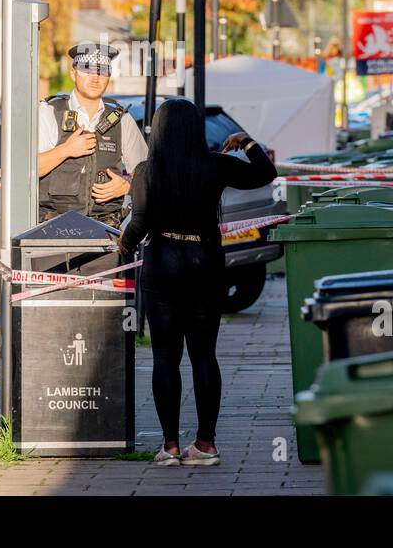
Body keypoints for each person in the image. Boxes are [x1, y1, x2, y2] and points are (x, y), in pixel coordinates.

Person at [117, 98, 277, 466]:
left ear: (157, 131)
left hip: (162, 267)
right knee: (204, 355)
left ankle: (170, 446)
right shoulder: (216, 166)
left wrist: (122, 243)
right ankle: (205, 444)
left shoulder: (146, 171)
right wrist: (246, 141)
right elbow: (265, 173)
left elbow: (138, 225)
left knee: (165, 358)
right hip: (206, 265)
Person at [37, 42, 147, 227]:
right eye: (87, 70)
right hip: (52, 232)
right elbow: (30, 170)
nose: (95, 78)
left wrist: (127, 186)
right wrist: (67, 150)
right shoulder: (48, 112)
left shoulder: (121, 119)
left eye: (102, 71)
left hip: (106, 233)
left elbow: (147, 175)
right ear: (73, 73)